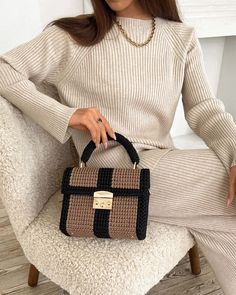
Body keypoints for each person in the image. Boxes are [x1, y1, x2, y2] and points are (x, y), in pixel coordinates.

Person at [0, 0, 236, 294]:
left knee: (228, 217)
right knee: (226, 189)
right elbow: (4, 68)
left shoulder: (180, 38)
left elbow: (205, 110)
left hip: (160, 166)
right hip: (112, 174)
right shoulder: (70, 36)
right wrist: (66, 116)